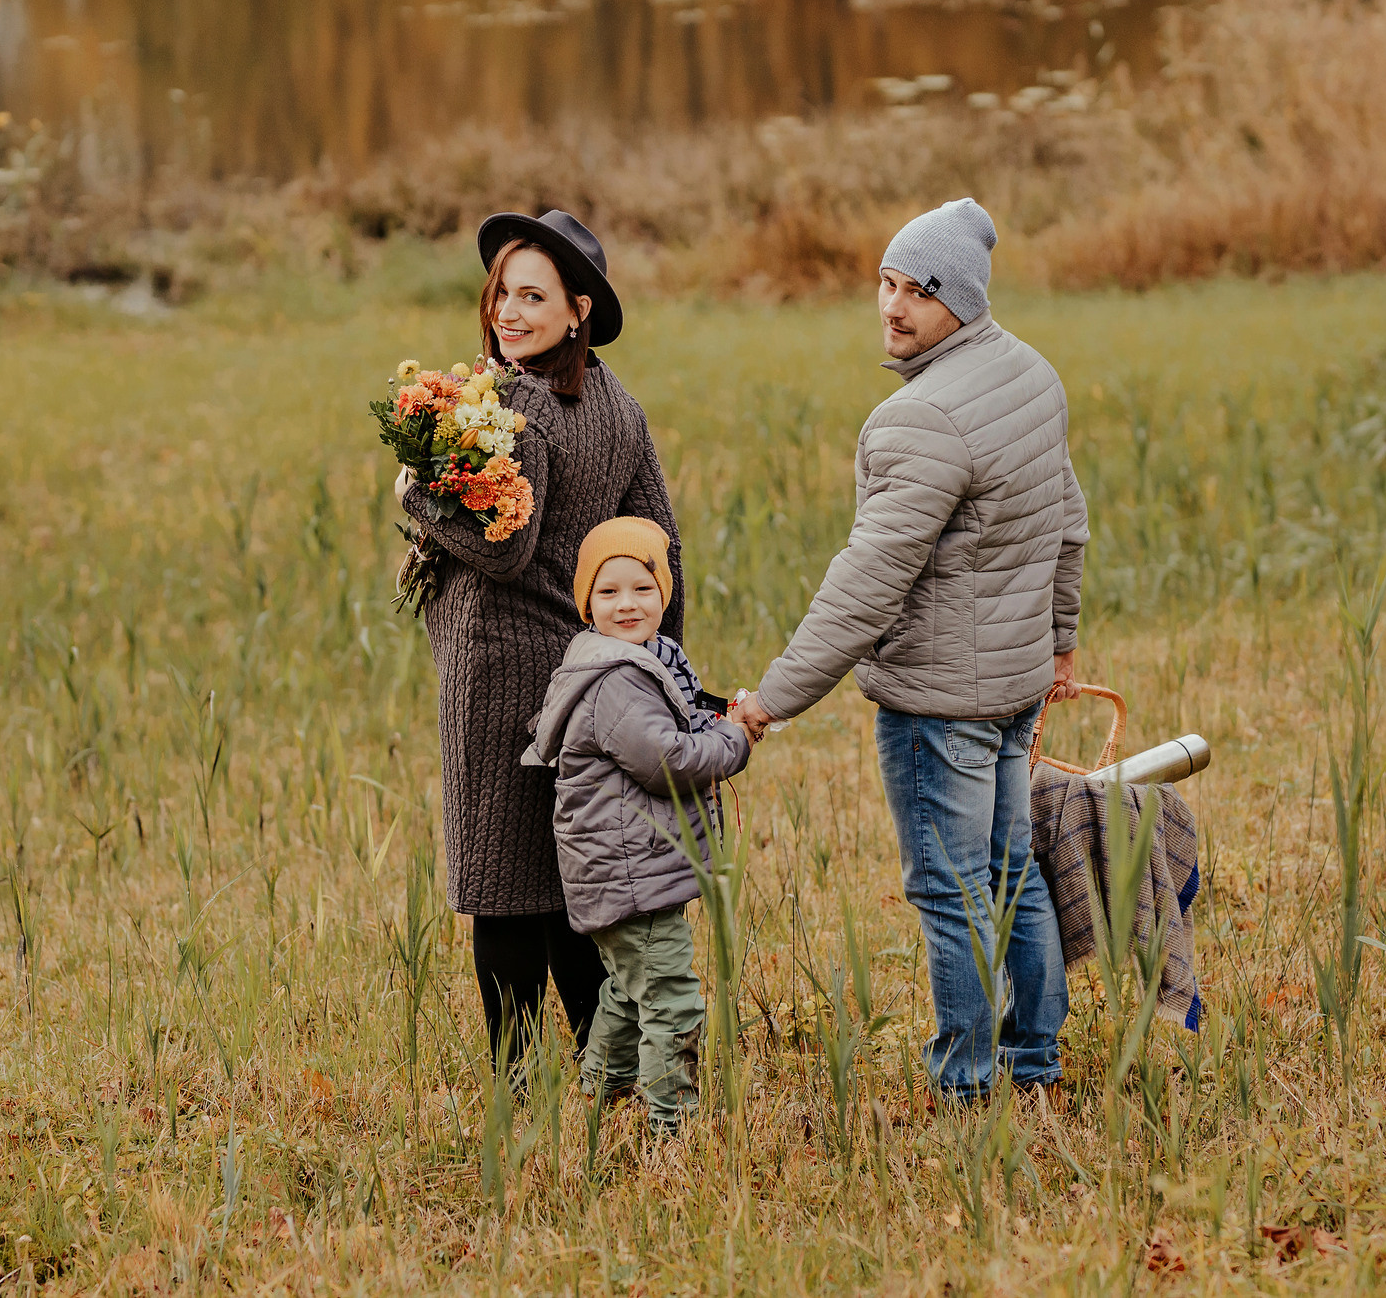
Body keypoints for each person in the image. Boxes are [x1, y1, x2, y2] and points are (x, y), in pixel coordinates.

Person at [733, 197, 1088, 1104]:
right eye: (886, 283)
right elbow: (1070, 525)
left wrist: (772, 698)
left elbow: (867, 582)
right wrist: (1055, 645)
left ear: (961, 301)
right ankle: (1034, 1063)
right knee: (1013, 871)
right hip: (1011, 685)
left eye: (918, 291)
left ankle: (969, 1085)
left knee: (953, 889)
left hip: (941, 705)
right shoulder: (1031, 373)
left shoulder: (922, 419)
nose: (892, 306)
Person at [398, 209, 686, 1070]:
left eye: (534, 296)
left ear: (580, 309)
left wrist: (419, 493)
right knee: (565, 885)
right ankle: (616, 1073)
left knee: (501, 889)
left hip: (501, 673)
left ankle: (518, 1088)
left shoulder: (519, 399)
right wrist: (658, 666)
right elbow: (661, 540)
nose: (508, 314)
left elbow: (504, 545)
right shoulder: (615, 401)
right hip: (585, 679)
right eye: (501, 295)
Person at [521, 518, 761, 1135]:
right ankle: (669, 1129)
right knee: (672, 1000)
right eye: (608, 593)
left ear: (665, 594)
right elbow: (669, 762)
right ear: (586, 604)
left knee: (631, 991)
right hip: (628, 874)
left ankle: (600, 1093)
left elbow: (679, 729)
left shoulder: (650, 663)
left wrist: (717, 721)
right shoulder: (618, 681)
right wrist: (734, 740)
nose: (627, 604)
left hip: (628, 868)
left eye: (641, 588)